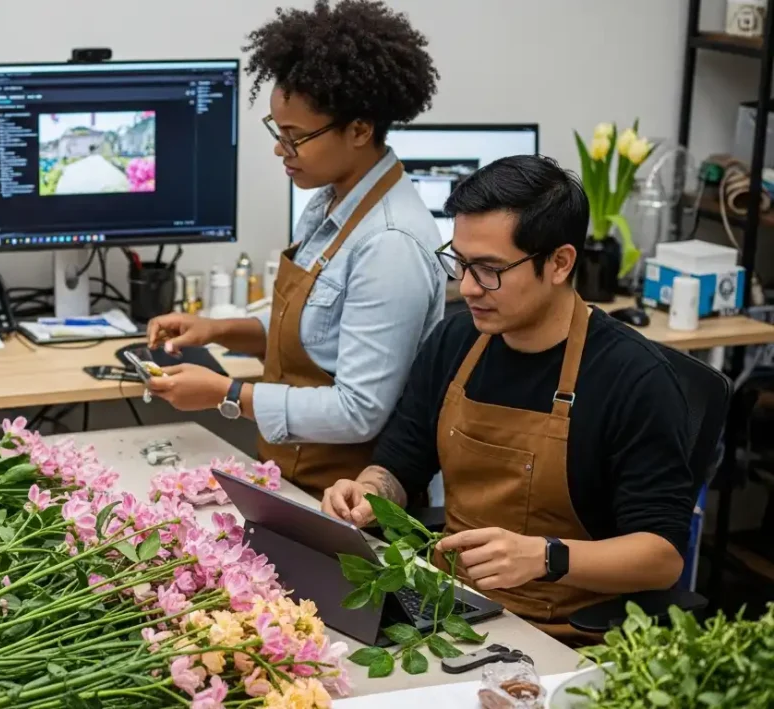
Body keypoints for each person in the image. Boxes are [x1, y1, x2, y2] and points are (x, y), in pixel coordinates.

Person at [321, 156, 697, 644]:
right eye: (460, 262)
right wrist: (369, 493)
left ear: (560, 262)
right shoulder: (456, 340)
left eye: (490, 269)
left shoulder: (633, 378)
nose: (470, 286)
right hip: (449, 608)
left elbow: (662, 558)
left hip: (562, 632)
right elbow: (401, 463)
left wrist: (544, 556)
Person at [145, 0, 446, 496]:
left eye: (295, 136)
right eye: (276, 132)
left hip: (349, 501)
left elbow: (358, 412)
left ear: (359, 129)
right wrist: (219, 330)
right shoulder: (330, 199)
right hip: (294, 478)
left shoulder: (391, 244)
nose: (280, 149)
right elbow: (315, 329)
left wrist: (228, 394)